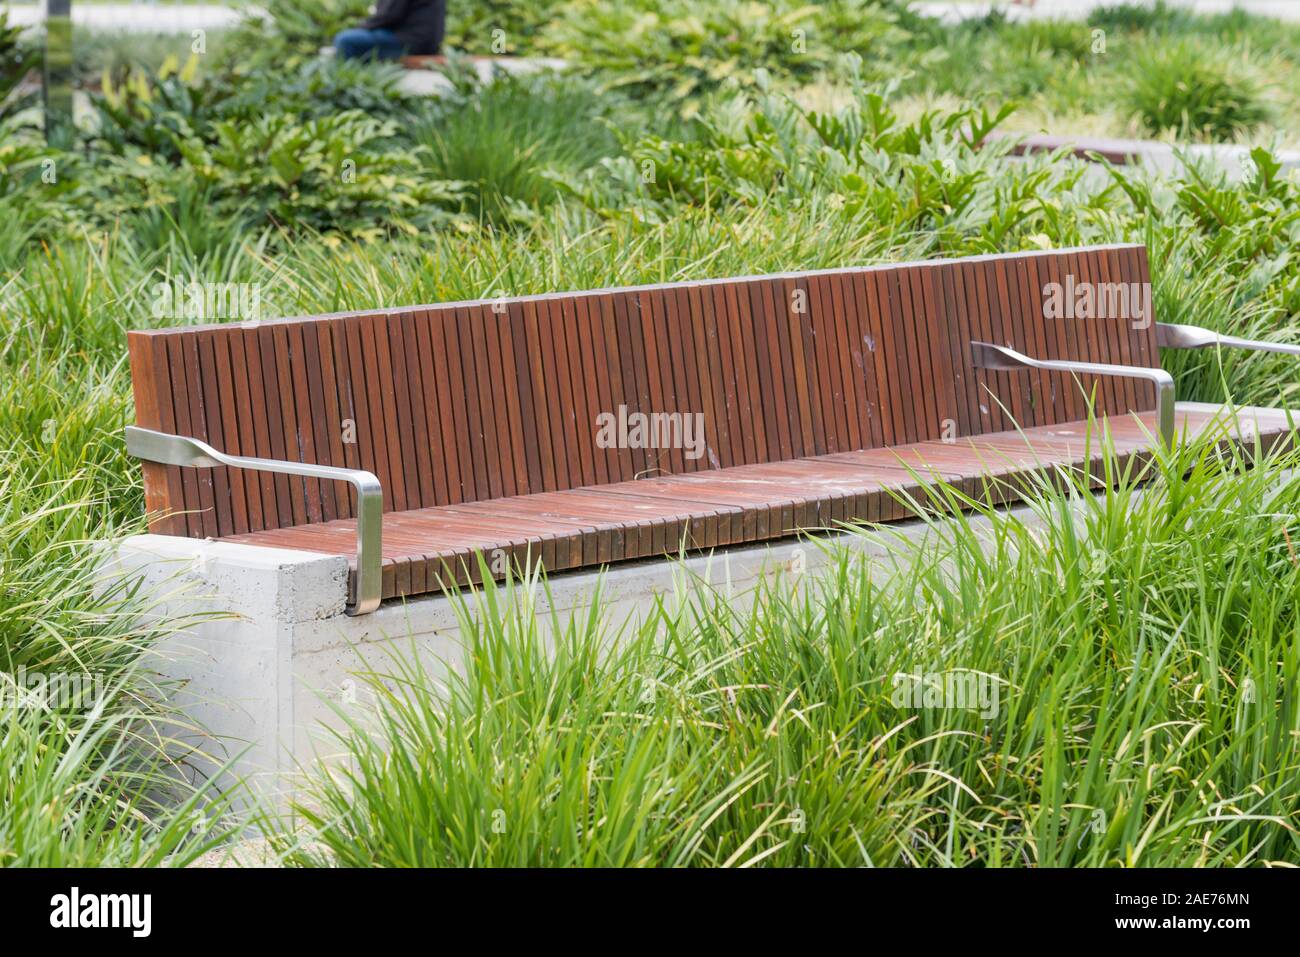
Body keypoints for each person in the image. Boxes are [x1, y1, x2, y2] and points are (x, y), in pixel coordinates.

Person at [334, 0, 447, 61]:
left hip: (410, 42)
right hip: (424, 42)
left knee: (346, 41)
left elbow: (389, 15)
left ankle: (346, 88)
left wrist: (361, 27)